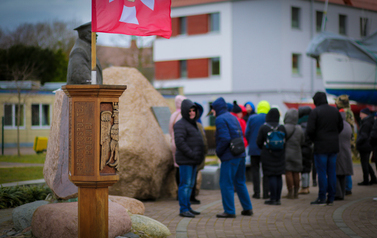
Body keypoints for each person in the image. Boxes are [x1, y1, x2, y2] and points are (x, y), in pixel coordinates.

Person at [210, 97, 253, 218]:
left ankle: (229, 210)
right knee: (240, 182)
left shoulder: (220, 119)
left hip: (229, 156)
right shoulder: (233, 117)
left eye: (213, 109)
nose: (212, 112)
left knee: (225, 183)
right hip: (240, 153)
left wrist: (218, 152)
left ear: (217, 108)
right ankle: (247, 208)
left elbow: (225, 138)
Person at [307, 91, 343, 206]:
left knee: (321, 172)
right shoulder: (335, 111)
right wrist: (333, 135)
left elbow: (310, 130)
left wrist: (315, 139)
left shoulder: (315, 112)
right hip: (333, 146)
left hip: (320, 146)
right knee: (331, 172)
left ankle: (322, 197)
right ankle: (331, 197)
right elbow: (340, 127)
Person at [174, 99, 205, 218]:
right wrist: (192, 154)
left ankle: (188, 207)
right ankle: (183, 209)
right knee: (185, 185)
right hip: (186, 160)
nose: (192, 113)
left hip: (193, 160)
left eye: (193, 110)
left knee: (190, 185)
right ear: (184, 111)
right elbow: (180, 142)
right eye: (190, 111)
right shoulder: (180, 124)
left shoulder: (193, 124)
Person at [256, 108, 286, 205]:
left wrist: (265, 148)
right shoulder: (282, 127)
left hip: (268, 154)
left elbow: (258, 142)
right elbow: (286, 140)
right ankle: (278, 198)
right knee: (278, 175)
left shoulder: (264, 127)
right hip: (280, 154)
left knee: (271, 175)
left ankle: (272, 198)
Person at [245, 100, 271, 199]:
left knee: (255, 171)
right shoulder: (268, 118)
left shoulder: (252, 118)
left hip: (254, 148)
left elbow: (247, 132)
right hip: (266, 149)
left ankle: (256, 193)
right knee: (266, 171)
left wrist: (251, 141)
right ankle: (266, 193)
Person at [335, 95, 356, 195]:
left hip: (344, 139)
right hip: (348, 138)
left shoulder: (344, 112)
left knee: (344, 163)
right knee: (346, 162)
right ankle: (348, 187)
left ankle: (348, 187)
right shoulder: (350, 111)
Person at [282, 109, 305, 199]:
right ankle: (296, 192)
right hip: (297, 152)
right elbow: (302, 141)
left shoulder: (284, 127)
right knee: (296, 172)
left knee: (288, 172)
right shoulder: (299, 128)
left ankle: (290, 192)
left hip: (287, 152)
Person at [190, 102, 208, 204]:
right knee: (188, 181)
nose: (192, 113)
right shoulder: (186, 124)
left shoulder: (198, 124)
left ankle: (191, 198)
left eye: (194, 111)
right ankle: (187, 202)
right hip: (191, 156)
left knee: (192, 178)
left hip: (195, 156)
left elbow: (203, 140)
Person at [168, 95, 187, 194]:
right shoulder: (183, 115)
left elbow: (170, 130)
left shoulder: (173, 115)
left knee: (177, 167)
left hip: (174, 143)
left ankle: (178, 191)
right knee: (183, 169)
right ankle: (182, 192)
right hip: (181, 144)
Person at [335, 110, 353, 200]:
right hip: (346, 151)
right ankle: (344, 191)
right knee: (343, 174)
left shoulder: (337, 125)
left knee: (336, 172)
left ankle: (338, 193)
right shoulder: (348, 125)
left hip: (338, 151)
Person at [356, 107, 377, 185]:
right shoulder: (369, 121)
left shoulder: (366, 123)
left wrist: (357, 142)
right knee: (366, 163)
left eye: (361, 113)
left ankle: (366, 180)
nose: (360, 115)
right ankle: (373, 178)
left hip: (364, 145)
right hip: (367, 145)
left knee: (364, 163)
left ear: (365, 114)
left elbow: (364, 135)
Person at [297, 106, 313, 195]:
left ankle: (304, 187)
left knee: (303, 168)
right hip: (309, 147)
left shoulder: (300, 124)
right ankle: (306, 186)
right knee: (307, 167)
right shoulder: (311, 122)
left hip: (302, 148)